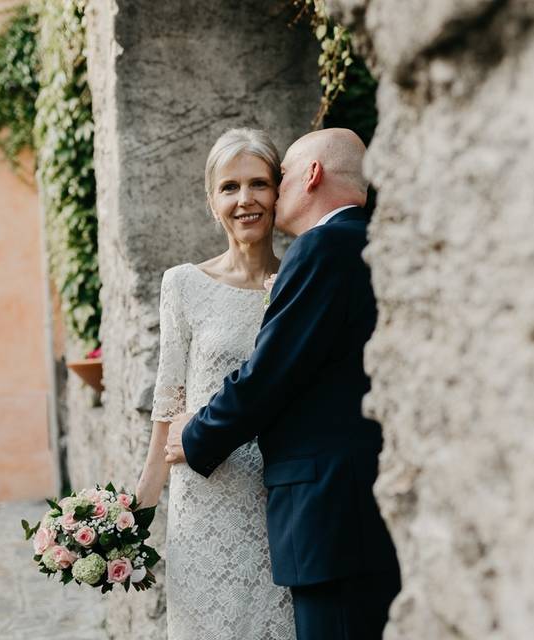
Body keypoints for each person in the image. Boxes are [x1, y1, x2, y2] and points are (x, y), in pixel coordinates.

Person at [164, 128, 400, 640]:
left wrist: (193, 435)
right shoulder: (379, 242)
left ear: (311, 175)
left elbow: (269, 376)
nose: (266, 193)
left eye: (279, 177)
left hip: (327, 515)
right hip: (365, 503)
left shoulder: (322, 248)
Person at [135, 128, 295, 639]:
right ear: (212, 202)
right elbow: (170, 399)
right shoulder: (183, 283)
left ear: (279, 192)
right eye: (229, 187)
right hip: (205, 500)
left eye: (258, 184)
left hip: (282, 495)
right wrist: (139, 506)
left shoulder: (301, 280)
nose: (245, 200)